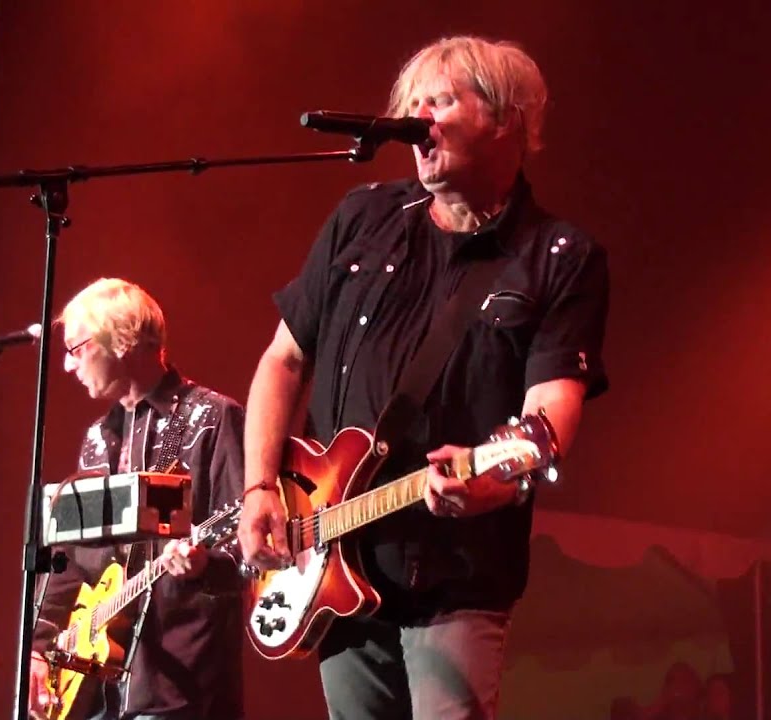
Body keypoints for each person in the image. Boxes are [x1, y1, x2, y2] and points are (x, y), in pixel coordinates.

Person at [237, 35, 610, 720]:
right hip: (332, 565)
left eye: (438, 102)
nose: (418, 121)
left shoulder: (559, 256)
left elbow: (550, 417)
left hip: (455, 575)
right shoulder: (363, 218)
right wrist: (260, 484)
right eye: (411, 106)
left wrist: (497, 477)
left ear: (506, 120)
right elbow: (282, 360)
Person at [29, 278, 245, 720]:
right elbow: (70, 558)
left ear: (122, 339)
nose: (68, 366)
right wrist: (39, 647)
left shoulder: (211, 419)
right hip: (95, 692)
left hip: (179, 687)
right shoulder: (96, 439)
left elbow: (254, 544)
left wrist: (208, 565)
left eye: (76, 348)